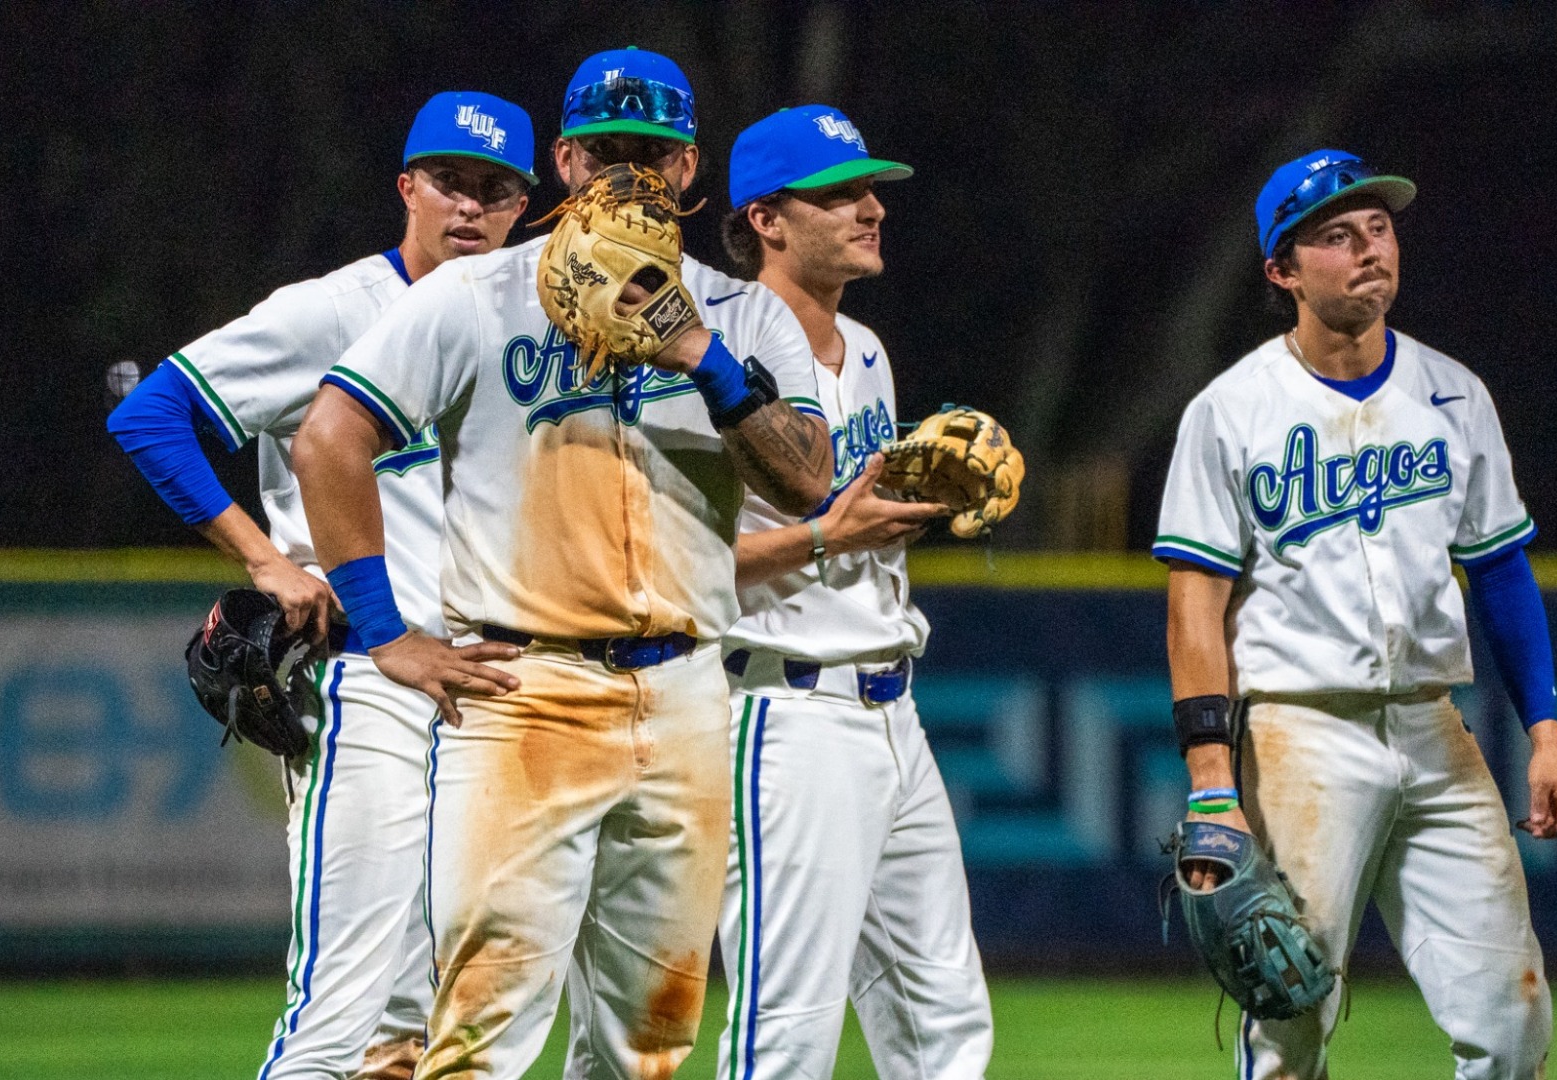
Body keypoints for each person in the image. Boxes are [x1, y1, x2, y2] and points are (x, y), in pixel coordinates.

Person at [290, 47, 834, 1080]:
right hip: (523, 694)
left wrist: (701, 358)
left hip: (685, 696)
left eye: (653, 153)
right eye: (608, 152)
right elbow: (329, 438)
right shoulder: (480, 295)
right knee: (477, 1044)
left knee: (649, 1049)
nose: (630, 172)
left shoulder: (746, 314)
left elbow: (809, 479)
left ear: (689, 173)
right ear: (567, 162)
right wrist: (384, 631)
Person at [106, 93, 538, 1079]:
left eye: (493, 189)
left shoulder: (522, 337)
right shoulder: (336, 312)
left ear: (523, 205)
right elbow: (151, 414)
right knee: (339, 1012)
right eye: (448, 182)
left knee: (433, 1036)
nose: (469, 208)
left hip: (490, 694)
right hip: (371, 682)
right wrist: (263, 555)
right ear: (407, 188)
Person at [1152, 149, 1557, 1079]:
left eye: (1379, 228)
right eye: (1336, 235)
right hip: (1299, 732)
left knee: (1514, 1018)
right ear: (1282, 269)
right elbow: (1195, 606)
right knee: (1288, 1017)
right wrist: (1212, 778)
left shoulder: (1454, 394)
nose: (1368, 249)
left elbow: (1501, 571)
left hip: (1433, 727)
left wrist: (1543, 730)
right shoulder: (1230, 411)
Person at [710, 106, 993, 1080]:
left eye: (873, 190)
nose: (873, 208)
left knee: (945, 1023)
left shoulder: (865, 350)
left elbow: (854, 514)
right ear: (766, 220)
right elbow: (666, 565)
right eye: (842, 195)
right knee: (785, 1032)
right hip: (784, 711)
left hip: (892, 712)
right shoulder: (715, 353)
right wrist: (832, 533)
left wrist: (923, 494)